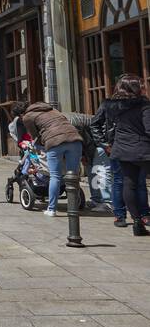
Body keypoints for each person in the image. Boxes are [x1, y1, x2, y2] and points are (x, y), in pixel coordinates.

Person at [92, 75, 150, 228]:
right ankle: (121, 214)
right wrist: (104, 144)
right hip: (119, 147)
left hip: (123, 148)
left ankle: (142, 215)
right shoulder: (110, 105)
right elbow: (95, 124)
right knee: (122, 181)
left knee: (135, 182)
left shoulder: (120, 105)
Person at [14, 99, 84, 218]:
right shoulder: (52, 109)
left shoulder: (27, 117)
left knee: (55, 176)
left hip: (55, 142)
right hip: (75, 139)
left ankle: (52, 209)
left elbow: (34, 136)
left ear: (20, 114)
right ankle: (73, 205)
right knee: (72, 176)